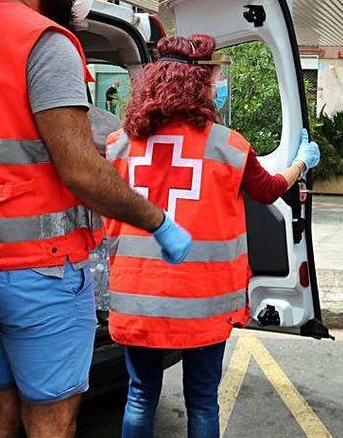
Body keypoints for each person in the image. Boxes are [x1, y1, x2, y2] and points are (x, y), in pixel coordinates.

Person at [0, 0, 192, 437]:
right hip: (40, 272)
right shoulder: (44, 40)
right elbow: (81, 171)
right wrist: (158, 221)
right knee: (52, 416)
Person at [104, 34, 320, 438]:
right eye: (215, 76)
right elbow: (270, 190)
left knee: (139, 395)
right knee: (202, 400)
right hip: (203, 300)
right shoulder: (228, 147)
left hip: (137, 295)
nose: (219, 83)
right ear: (198, 83)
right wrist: (300, 164)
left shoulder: (117, 146)